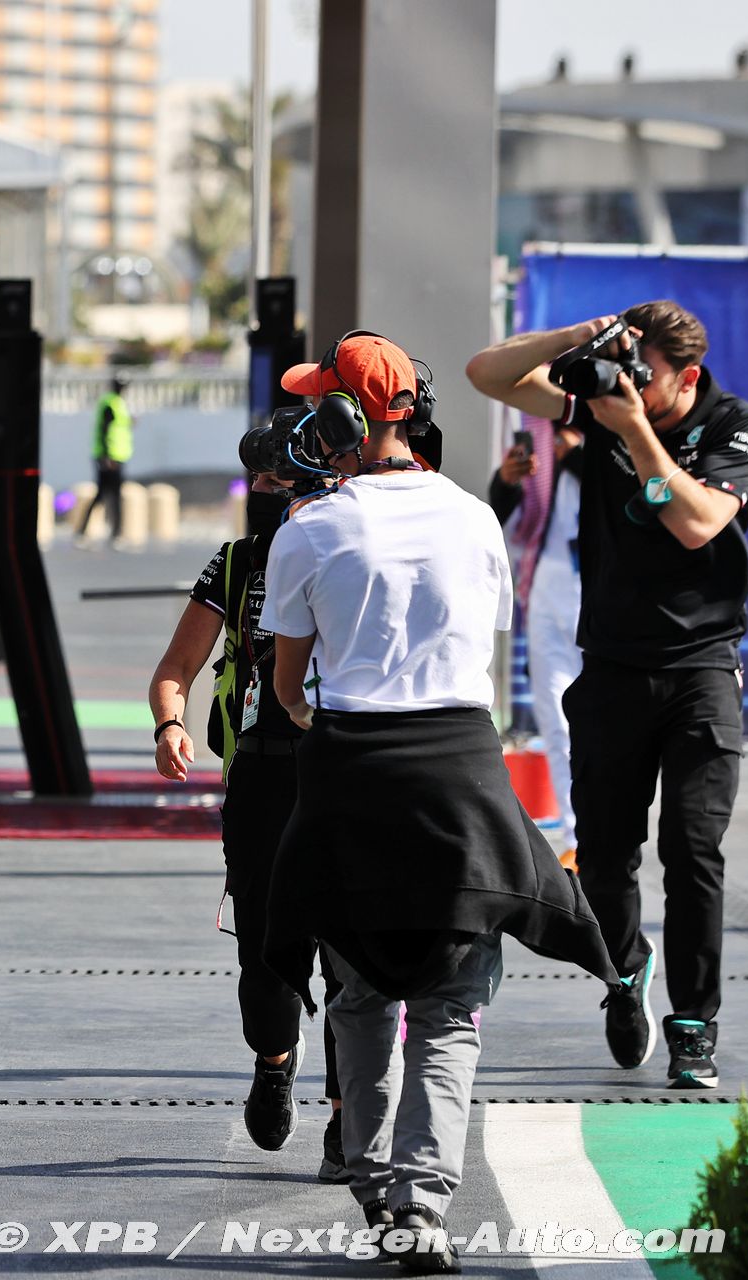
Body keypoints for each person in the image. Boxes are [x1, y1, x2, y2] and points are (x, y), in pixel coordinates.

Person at [262, 333, 615, 1271]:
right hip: (462, 773)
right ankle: (421, 1209)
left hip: (354, 775)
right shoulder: (474, 518)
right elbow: (481, 651)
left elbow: (289, 688)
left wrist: (319, 709)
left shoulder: (309, 528)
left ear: (339, 421)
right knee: (452, 1008)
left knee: (361, 993)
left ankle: (375, 1183)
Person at [468, 301, 748, 1090]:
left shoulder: (735, 426)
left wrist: (632, 428)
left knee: (693, 851)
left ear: (688, 378)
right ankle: (625, 971)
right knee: (602, 856)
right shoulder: (603, 406)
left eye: (646, 374)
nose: (630, 383)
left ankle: (694, 1022)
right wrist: (579, 340)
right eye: (627, 367)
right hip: (612, 667)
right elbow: (486, 373)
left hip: (701, 669)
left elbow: (698, 524)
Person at [147, 470, 344, 1183]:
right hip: (261, 775)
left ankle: (347, 1115)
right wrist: (170, 724)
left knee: (351, 955)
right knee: (264, 954)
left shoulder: (359, 543)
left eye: (281, 477)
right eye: (257, 477)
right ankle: (274, 1059)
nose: (268, 490)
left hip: (349, 770)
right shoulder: (235, 563)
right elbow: (176, 667)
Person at [488, 415, 584, 867]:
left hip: (606, 590)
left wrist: (578, 455)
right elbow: (509, 514)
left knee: (605, 724)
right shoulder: (541, 430)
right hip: (548, 584)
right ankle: (576, 836)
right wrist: (508, 481)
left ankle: (607, 833)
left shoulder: (626, 420)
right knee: (557, 720)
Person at [75, 373, 133, 547]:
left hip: (117, 456)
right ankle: (112, 534)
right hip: (110, 458)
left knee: (110, 495)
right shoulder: (110, 404)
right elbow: (104, 430)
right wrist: (107, 457)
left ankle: (112, 533)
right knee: (107, 495)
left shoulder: (118, 403)